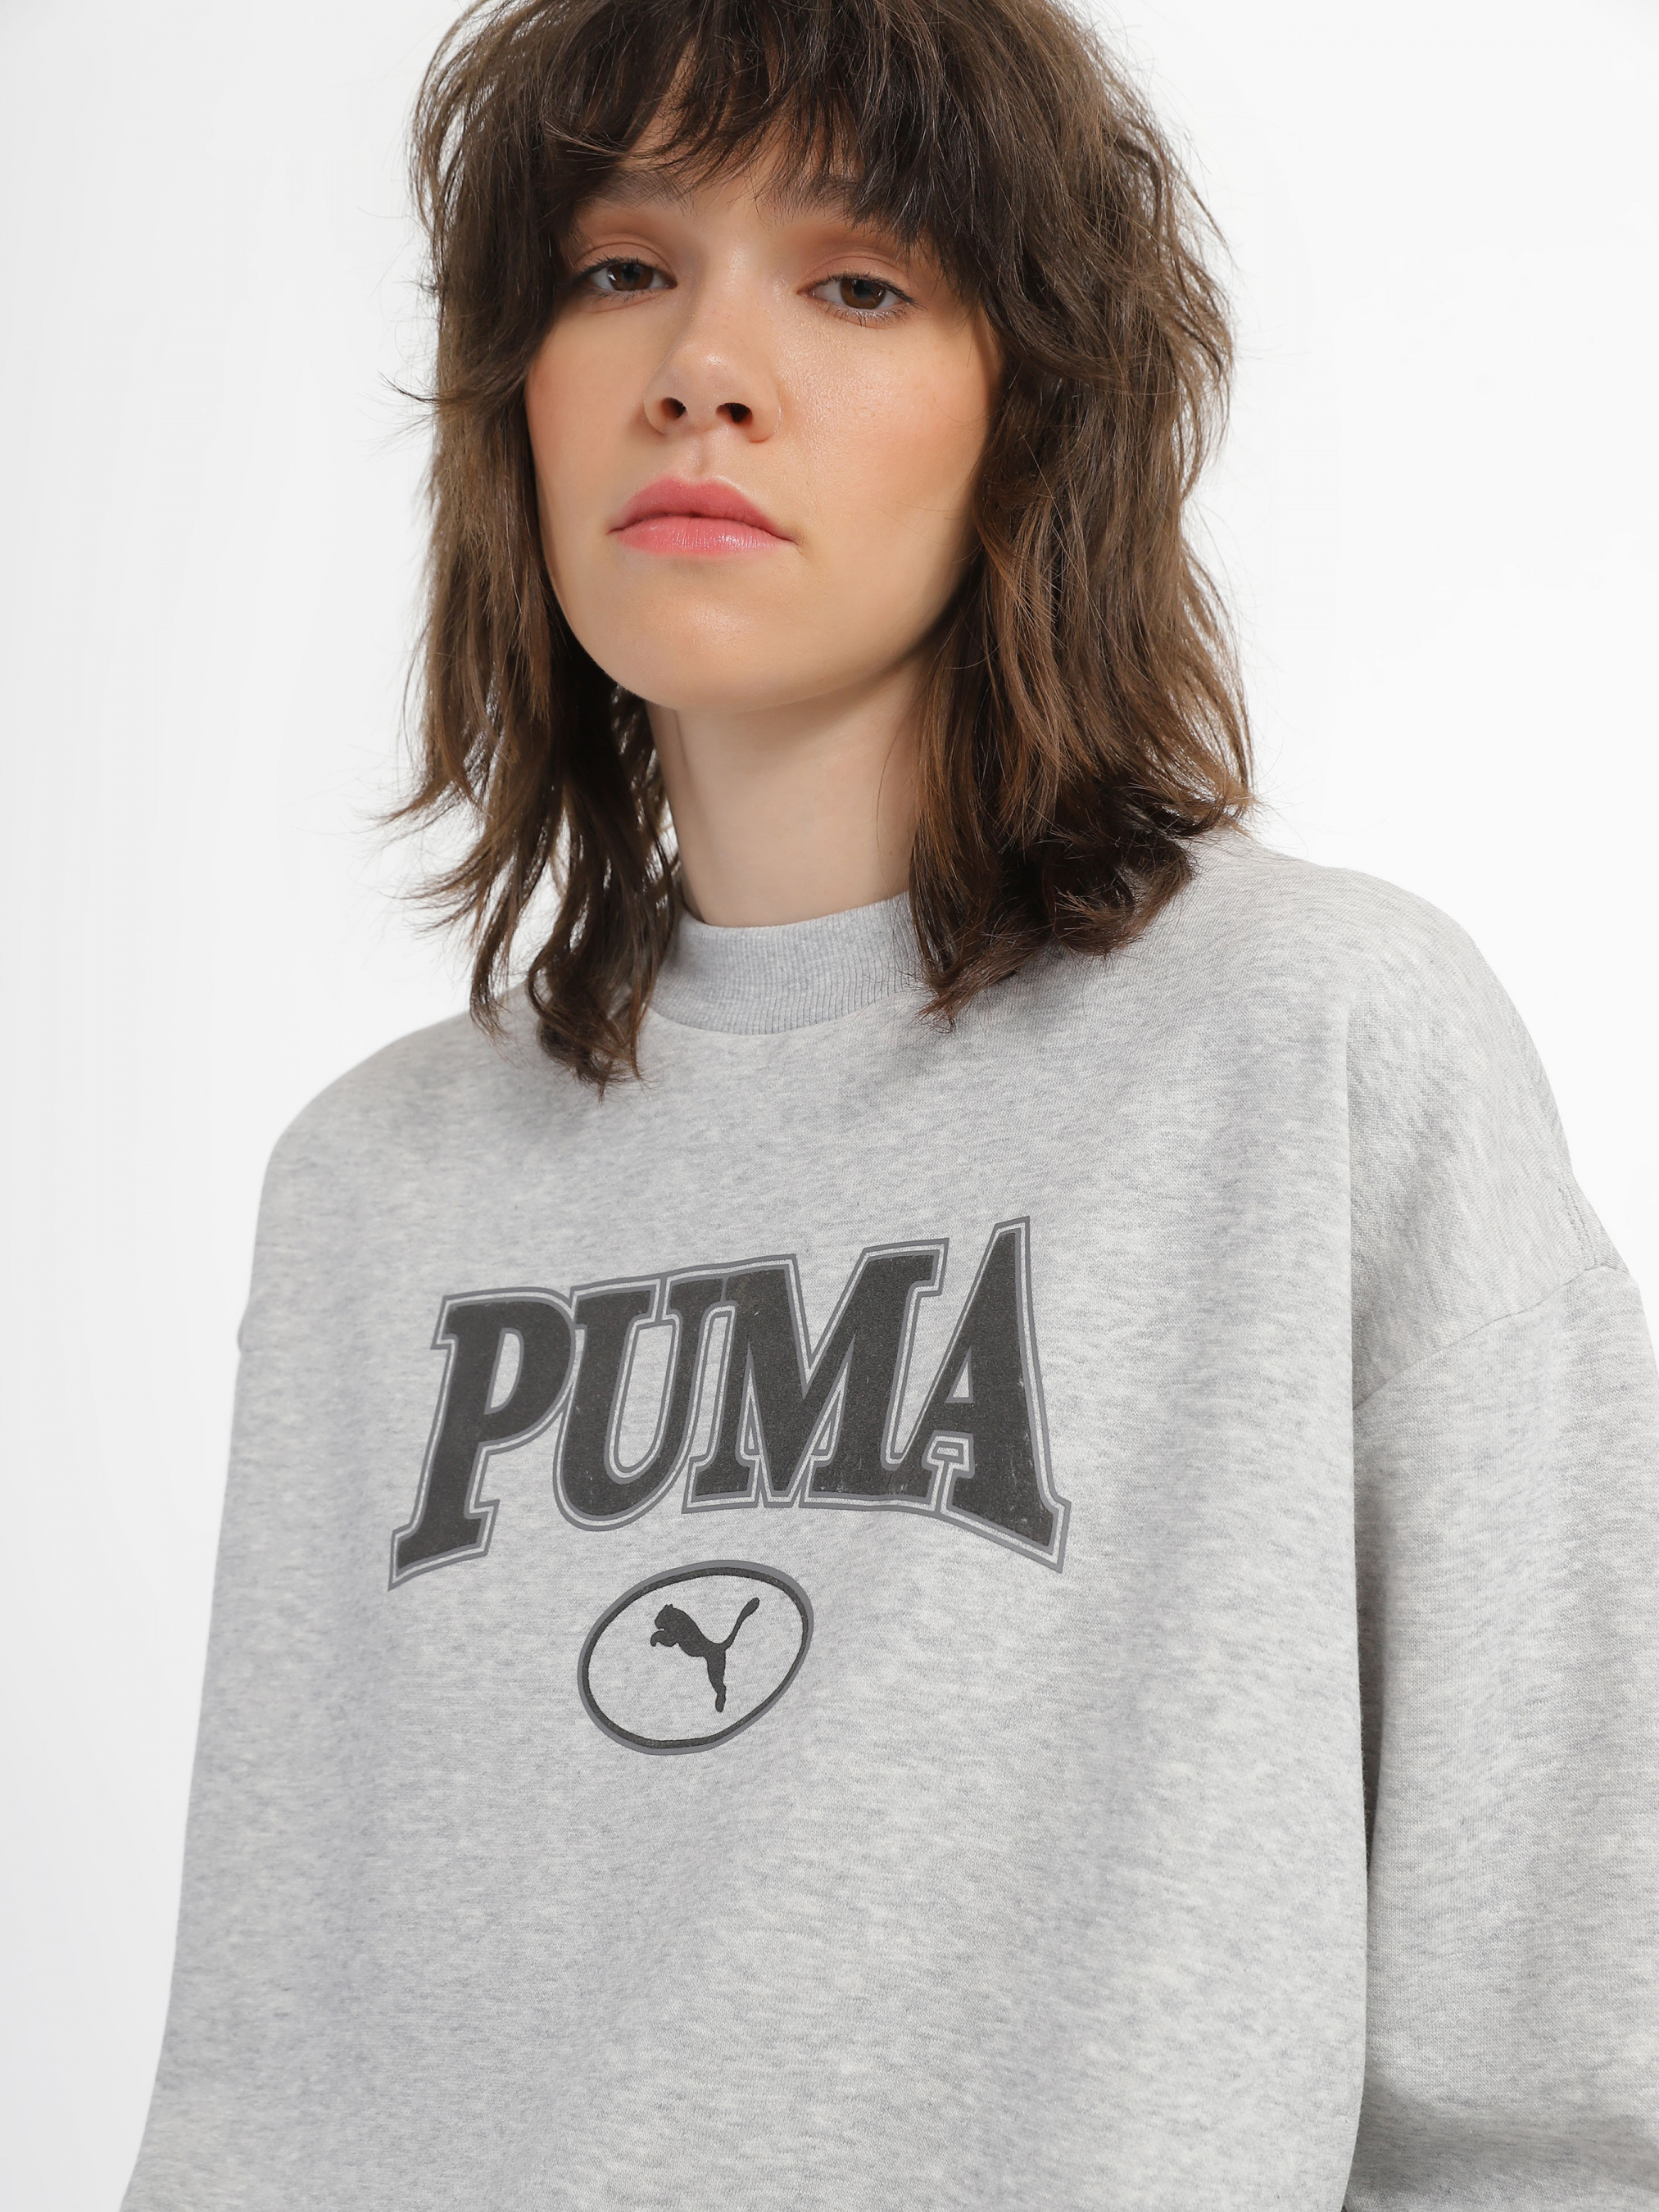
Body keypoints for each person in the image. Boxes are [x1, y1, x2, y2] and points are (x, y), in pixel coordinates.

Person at [121, 0, 1659, 2203]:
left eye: (854, 283)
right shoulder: (377, 1187)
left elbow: (1555, 2075)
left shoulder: (1309, 1047)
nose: (702, 369)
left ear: (1034, 413)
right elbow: (272, 2072)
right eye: (620, 268)